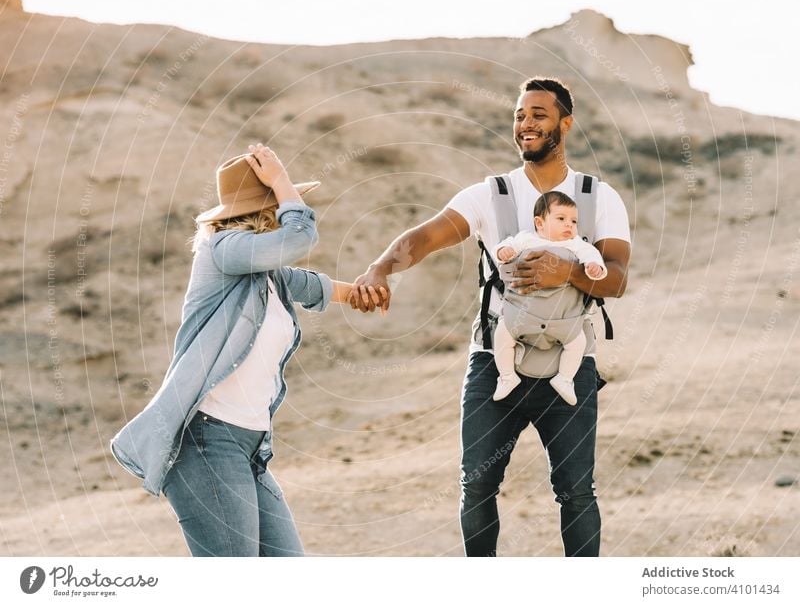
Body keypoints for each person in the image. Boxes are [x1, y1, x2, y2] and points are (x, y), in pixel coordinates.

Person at [350, 77, 631, 556]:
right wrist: (379, 267)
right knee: (476, 488)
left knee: (576, 492)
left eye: (538, 115)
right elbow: (423, 238)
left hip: (569, 364)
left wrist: (567, 271)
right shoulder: (490, 194)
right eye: (520, 115)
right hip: (492, 362)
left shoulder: (597, 196)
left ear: (566, 123)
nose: (526, 124)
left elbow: (618, 279)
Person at [110, 144, 381, 556]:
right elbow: (298, 238)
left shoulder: (264, 272)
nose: (292, 204)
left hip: (249, 447)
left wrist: (367, 293)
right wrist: (283, 181)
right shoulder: (222, 250)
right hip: (206, 441)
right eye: (283, 200)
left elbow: (318, 286)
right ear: (267, 208)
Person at [492, 191, 607, 403]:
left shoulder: (576, 244)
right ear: (539, 222)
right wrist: (504, 251)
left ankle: (564, 379)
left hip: (564, 320)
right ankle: (507, 376)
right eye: (561, 219)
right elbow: (504, 248)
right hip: (520, 315)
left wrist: (594, 267)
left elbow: (592, 256)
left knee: (577, 343)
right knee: (501, 335)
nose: (569, 226)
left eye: (574, 221)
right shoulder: (526, 239)